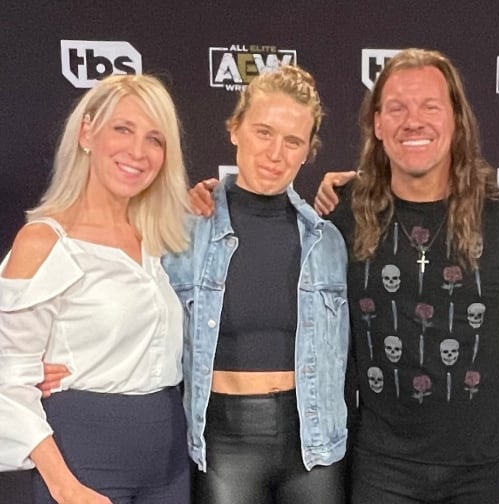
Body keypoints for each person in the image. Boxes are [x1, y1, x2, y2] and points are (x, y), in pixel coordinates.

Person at [283, 48, 499, 503]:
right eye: (397, 108)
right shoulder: (342, 214)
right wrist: (211, 198)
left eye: (429, 107)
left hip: (483, 467)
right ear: (377, 125)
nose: (412, 121)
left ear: (456, 120)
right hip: (382, 466)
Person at [0, 74, 191, 504]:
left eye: (155, 139)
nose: (138, 152)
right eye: (123, 129)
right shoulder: (45, 241)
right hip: (84, 459)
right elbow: (8, 380)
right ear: (87, 131)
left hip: (169, 459)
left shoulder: (159, 241)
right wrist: (64, 487)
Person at [164, 65, 349, 504]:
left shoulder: (329, 240)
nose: (275, 153)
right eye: (264, 132)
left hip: (313, 441)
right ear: (235, 130)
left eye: (293, 141)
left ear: (308, 151)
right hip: (223, 442)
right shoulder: (185, 230)